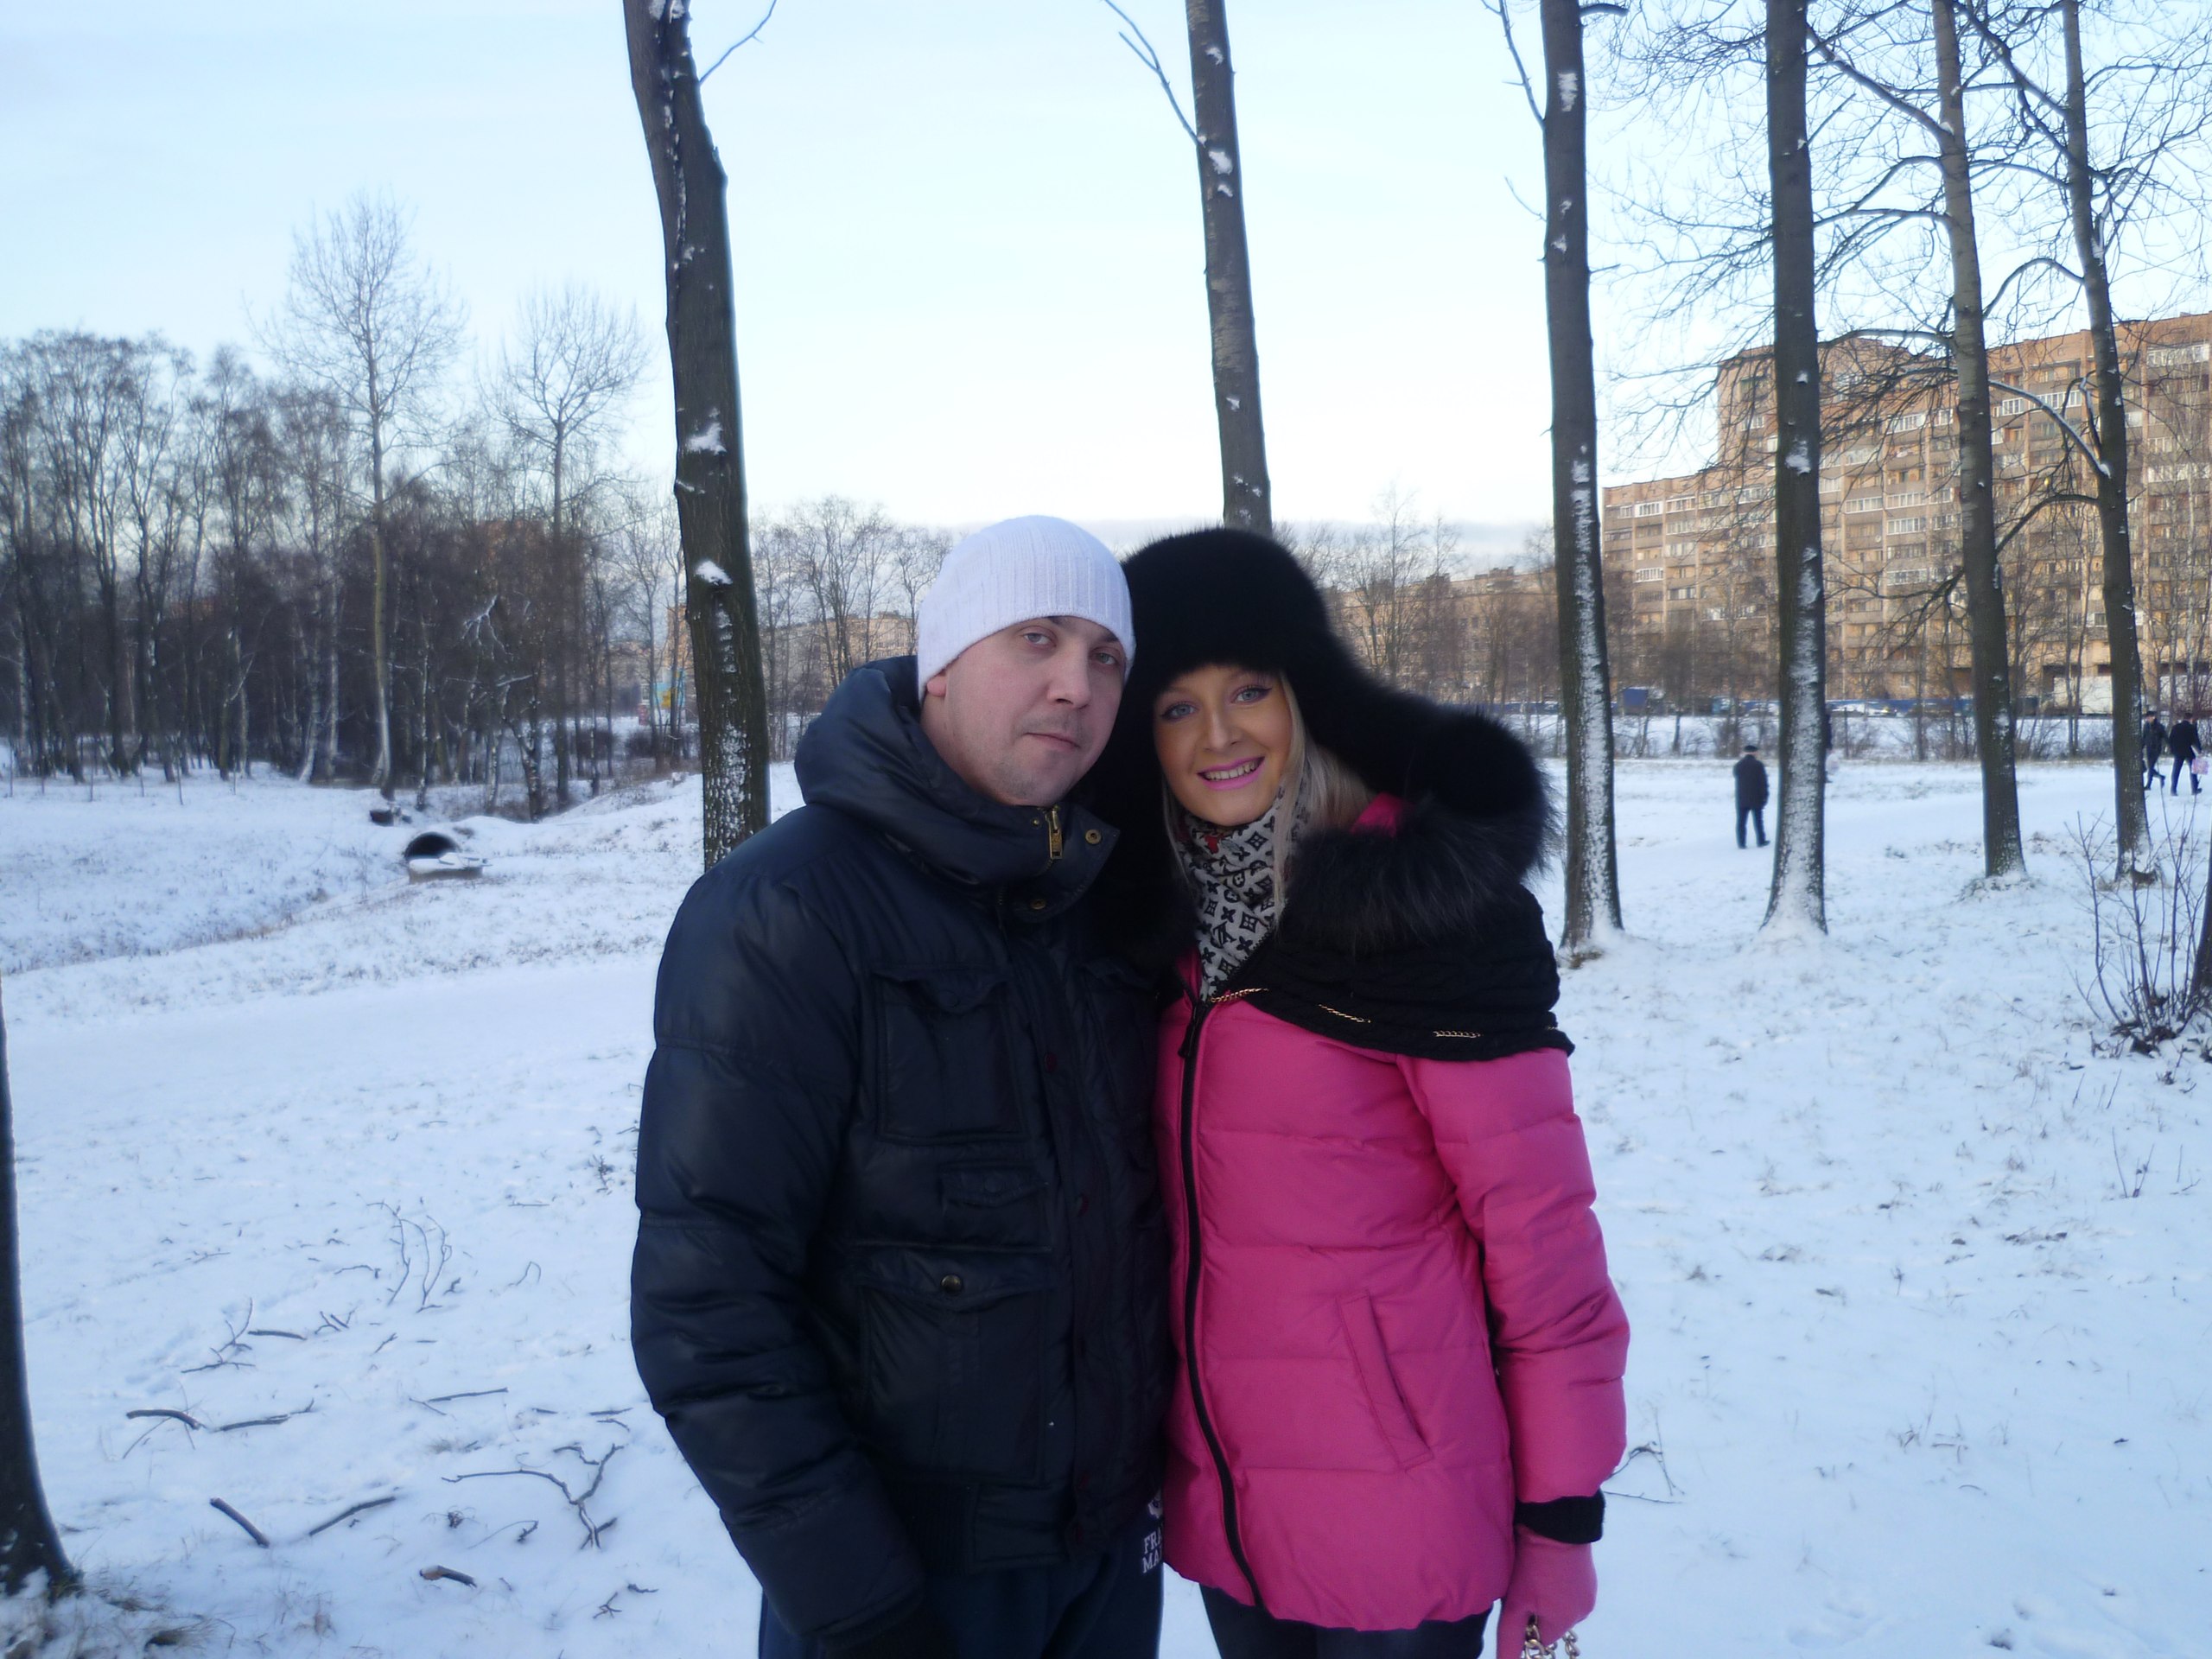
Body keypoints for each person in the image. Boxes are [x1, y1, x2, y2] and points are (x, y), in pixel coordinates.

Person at [631, 518, 1171, 1659]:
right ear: (941, 664)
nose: (1075, 687)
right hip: (907, 1584)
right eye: (1036, 637)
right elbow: (707, 1302)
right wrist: (861, 1605)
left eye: (1105, 657)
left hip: (1106, 1561)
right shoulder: (789, 909)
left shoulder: (1102, 900)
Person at [1088, 530, 1629, 1659]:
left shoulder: (1424, 921)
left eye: (1249, 690)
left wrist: (1561, 1520)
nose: (1219, 734)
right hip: (1231, 1513)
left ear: (1309, 698)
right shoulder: (1162, 944)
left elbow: (1544, 1252)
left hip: (1405, 1515)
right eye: (1178, 707)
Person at [1733, 742, 1769, 849]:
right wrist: (1765, 796)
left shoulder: (1738, 765)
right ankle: (1761, 840)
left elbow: (1736, 777)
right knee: (1758, 820)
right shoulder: (1758, 765)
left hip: (1741, 797)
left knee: (1741, 821)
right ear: (1755, 752)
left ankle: (1741, 843)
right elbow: (1763, 782)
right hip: (1756, 797)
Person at [2169, 711, 2200, 797]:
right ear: (2190, 719)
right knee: (2193, 770)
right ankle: (2194, 789)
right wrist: (2199, 751)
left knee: (2176, 771)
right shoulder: (2192, 728)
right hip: (2188, 751)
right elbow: (2195, 740)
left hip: (2178, 752)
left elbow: (2171, 740)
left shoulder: (2175, 727)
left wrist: (2172, 750)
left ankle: (2173, 789)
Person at [2142, 709, 2168, 790]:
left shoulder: (2159, 726)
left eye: (2149, 717)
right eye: (2147, 717)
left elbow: (2165, 737)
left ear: (2153, 717)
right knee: (2150, 767)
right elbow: (2144, 737)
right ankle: (2161, 777)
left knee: (2151, 767)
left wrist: (2169, 746)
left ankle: (2148, 785)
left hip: (2156, 749)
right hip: (2148, 748)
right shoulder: (2146, 726)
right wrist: (2141, 747)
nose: (2148, 719)